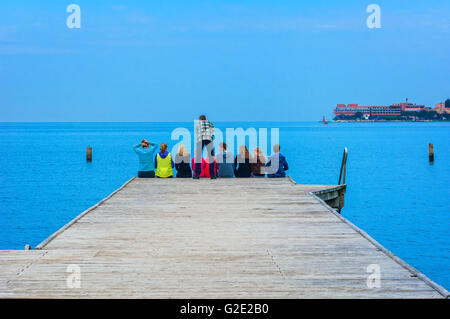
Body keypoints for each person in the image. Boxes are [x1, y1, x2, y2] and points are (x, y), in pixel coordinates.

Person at [194, 115, 216, 179]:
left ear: (200, 119)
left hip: (200, 139)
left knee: (198, 157)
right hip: (209, 139)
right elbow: (213, 134)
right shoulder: (210, 123)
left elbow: (197, 132)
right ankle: (212, 175)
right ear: (205, 119)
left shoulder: (198, 124)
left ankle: (197, 175)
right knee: (211, 157)